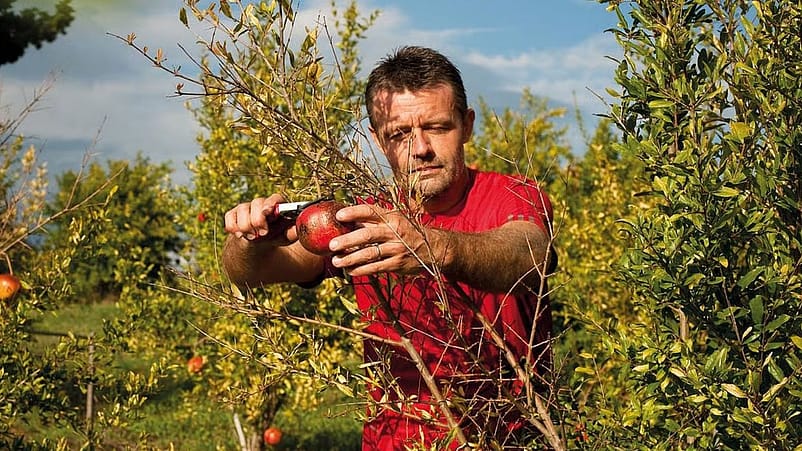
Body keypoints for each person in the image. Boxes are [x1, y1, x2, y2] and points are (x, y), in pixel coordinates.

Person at [222, 46, 556, 450]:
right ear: (378, 140)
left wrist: (432, 247)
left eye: (437, 127)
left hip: (510, 438)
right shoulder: (365, 217)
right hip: (395, 441)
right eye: (400, 134)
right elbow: (251, 272)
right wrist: (250, 238)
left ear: (467, 126)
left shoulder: (512, 195)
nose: (421, 148)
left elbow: (531, 253)